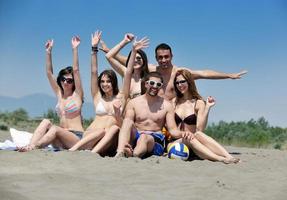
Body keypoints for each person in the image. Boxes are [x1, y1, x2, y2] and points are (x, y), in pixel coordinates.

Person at [69, 31, 149, 155]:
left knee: (114, 128)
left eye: (108, 81)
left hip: (108, 140)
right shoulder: (97, 96)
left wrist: (133, 50)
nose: (105, 84)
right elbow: (94, 72)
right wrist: (94, 49)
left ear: (114, 83)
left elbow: (128, 73)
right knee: (102, 131)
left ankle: (91, 154)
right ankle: (74, 150)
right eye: (102, 81)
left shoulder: (121, 96)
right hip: (91, 135)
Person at [19, 36, 84, 151]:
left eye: (69, 80)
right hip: (59, 138)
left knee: (54, 128)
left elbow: (76, 70)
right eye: (63, 79)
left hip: (75, 138)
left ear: (74, 82)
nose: (65, 82)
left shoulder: (78, 95)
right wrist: (48, 52)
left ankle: (34, 147)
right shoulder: (59, 93)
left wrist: (75, 49)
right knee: (46, 122)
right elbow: (49, 73)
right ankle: (30, 146)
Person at [171, 69, 240, 163]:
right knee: (188, 137)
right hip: (176, 143)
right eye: (177, 83)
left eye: (182, 81)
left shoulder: (198, 103)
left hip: (194, 142)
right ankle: (221, 159)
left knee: (198, 134)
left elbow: (200, 129)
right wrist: (183, 134)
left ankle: (228, 156)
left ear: (189, 81)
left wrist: (207, 107)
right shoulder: (173, 102)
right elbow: (171, 130)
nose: (179, 85)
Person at [115, 72, 190, 158]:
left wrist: (185, 133)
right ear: (146, 84)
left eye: (158, 84)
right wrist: (117, 115)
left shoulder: (167, 105)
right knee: (127, 121)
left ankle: (132, 154)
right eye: (152, 83)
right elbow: (126, 124)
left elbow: (173, 130)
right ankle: (120, 152)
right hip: (136, 136)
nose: (155, 86)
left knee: (144, 137)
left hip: (155, 140)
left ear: (161, 86)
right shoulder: (133, 103)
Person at [148, 43, 248, 100]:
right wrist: (131, 42)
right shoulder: (151, 71)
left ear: (172, 56)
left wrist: (229, 75)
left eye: (166, 57)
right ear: (156, 58)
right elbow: (134, 64)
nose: (164, 60)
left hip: (173, 114)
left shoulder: (179, 72)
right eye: (160, 57)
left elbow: (204, 73)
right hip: (154, 114)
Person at [105, 33, 149, 99]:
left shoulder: (148, 77)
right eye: (133, 58)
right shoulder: (125, 72)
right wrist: (125, 41)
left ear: (144, 60)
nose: (135, 60)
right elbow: (108, 56)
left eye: (139, 58)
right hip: (124, 108)